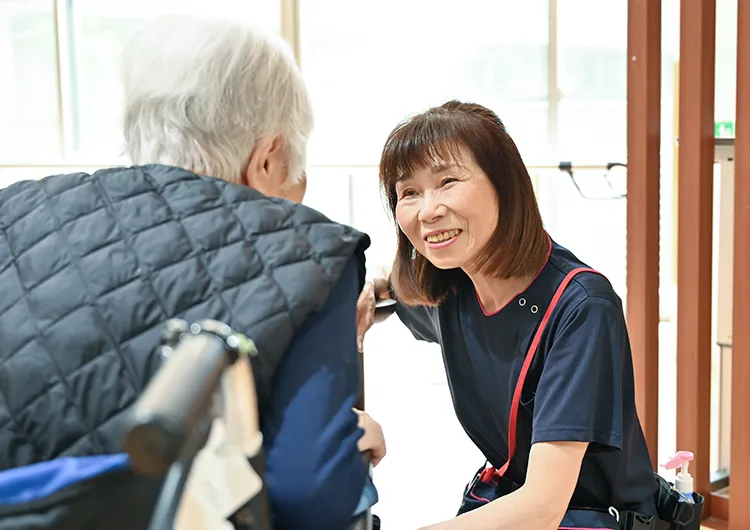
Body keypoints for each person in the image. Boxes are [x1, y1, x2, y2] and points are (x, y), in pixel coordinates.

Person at [0, 15, 384, 530]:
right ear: (267, 160)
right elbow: (309, 494)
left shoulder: (13, 213)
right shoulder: (309, 249)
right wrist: (351, 441)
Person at [357, 100, 669, 530]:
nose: (427, 210)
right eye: (408, 192)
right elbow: (401, 291)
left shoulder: (581, 307)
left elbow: (542, 508)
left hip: (591, 518)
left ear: (504, 184)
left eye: (448, 181)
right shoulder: (453, 287)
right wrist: (370, 288)